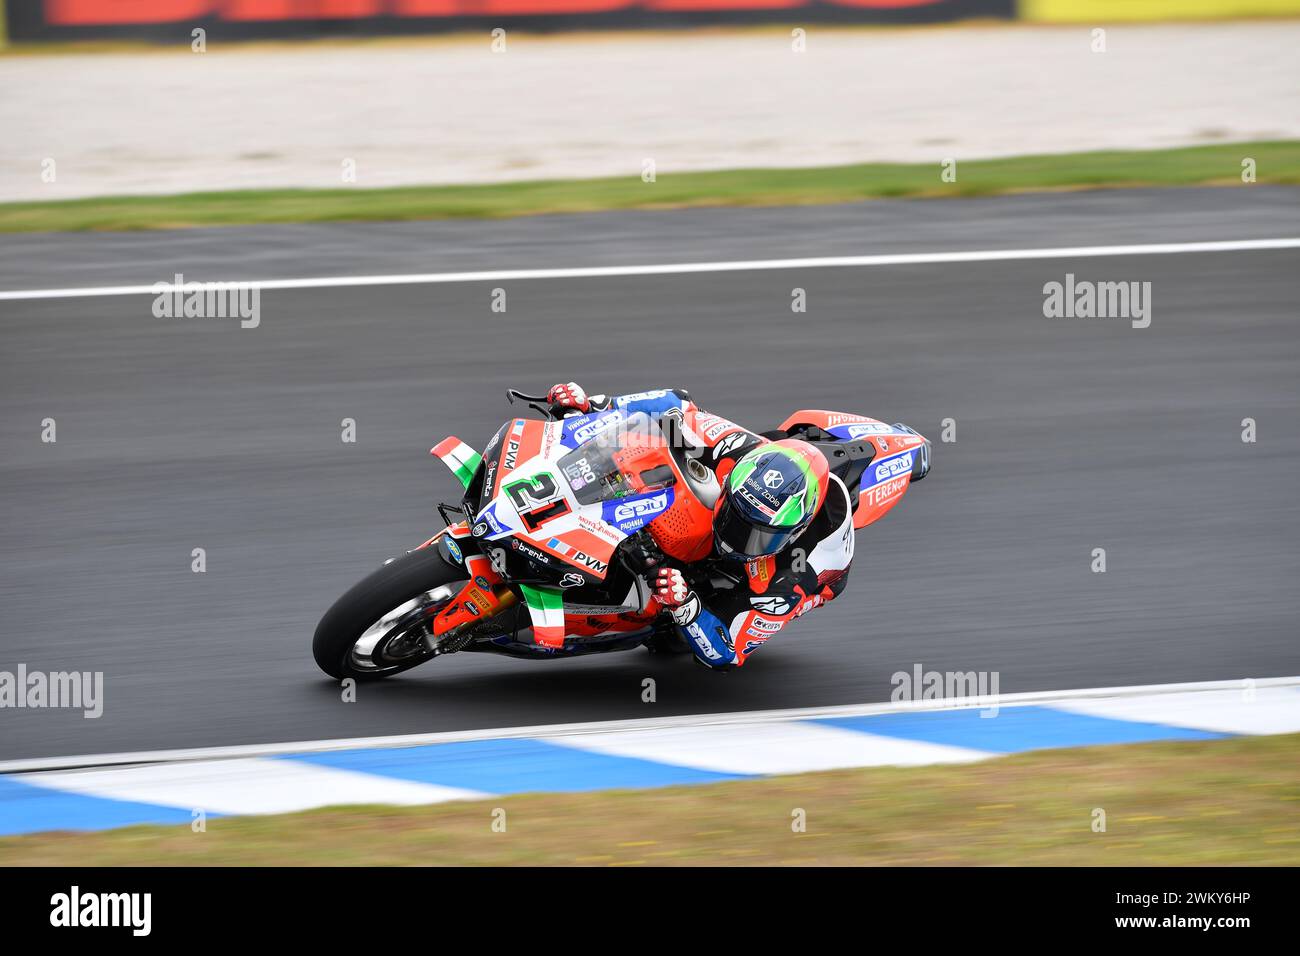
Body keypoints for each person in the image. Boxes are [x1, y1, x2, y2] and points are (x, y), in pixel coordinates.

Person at [546, 382, 855, 671]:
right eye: (734, 517)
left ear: (793, 534)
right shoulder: (731, 449)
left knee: (672, 637)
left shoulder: (793, 576)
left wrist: (685, 605)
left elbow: (727, 653)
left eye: (756, 535)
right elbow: (677, 404)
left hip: (799, 579)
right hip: (764, 463)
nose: (734, 539)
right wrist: (597, 406)